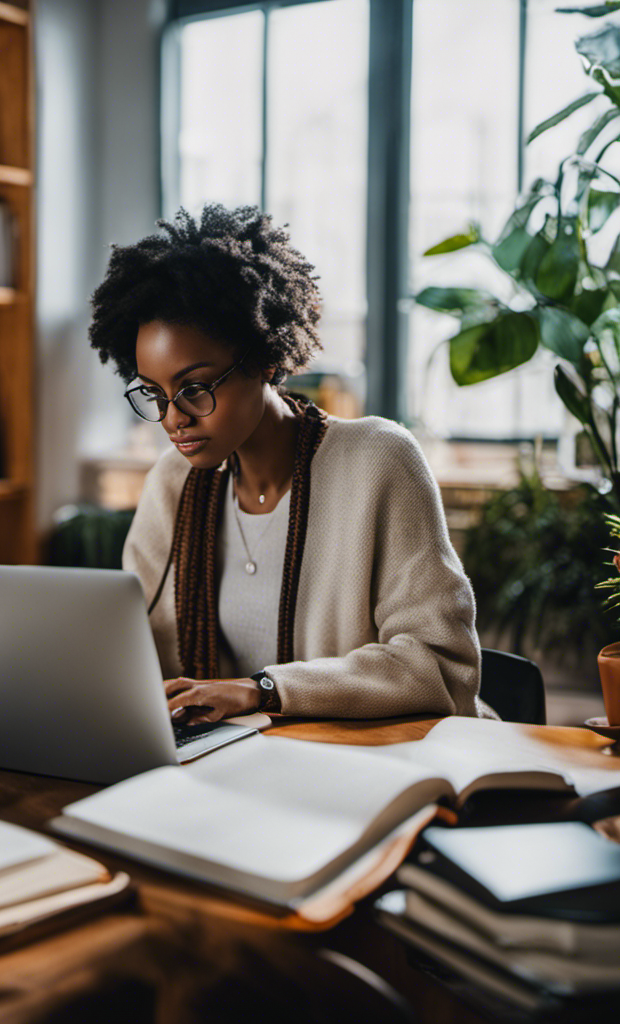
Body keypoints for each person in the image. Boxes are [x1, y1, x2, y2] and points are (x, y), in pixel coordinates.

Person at [88, 204, 492, 723]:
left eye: (193, 389)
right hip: (241, 765)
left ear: (266, 359)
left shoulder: (377, 461)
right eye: (154, 393)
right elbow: (131, 646)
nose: (173, 419)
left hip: (380, 762)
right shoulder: (174, 480)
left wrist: (264, 690)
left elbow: (439, 666)